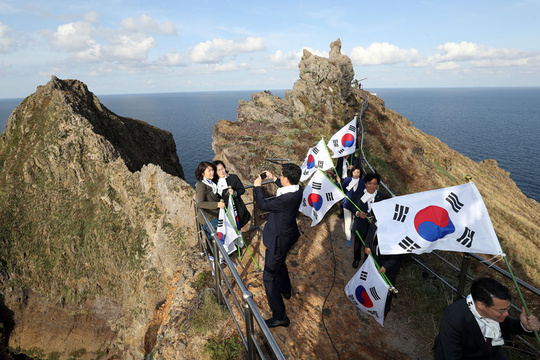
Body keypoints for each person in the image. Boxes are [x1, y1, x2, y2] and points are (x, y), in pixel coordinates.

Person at [433, 277, 540, 359]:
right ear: (481, 305)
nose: (506, 314)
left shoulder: (494, 310)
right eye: (502, 310)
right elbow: (451, 356)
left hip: (490, 354)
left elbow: (508, 325)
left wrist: (525, 326)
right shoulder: (454, 319)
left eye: (508, 308)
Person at [253, 163, 303, 328]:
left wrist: (257, 186)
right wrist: (274, 179)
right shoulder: (298, 189)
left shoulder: (285, 199)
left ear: (287, 178)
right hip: (288, 235)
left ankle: (280, 316)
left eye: (281, 175)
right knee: (280, 261)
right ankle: (286, 289)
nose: (280, 177)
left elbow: (264, 205)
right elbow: (285, 185)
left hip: (278, 239)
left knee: (268, 277)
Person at [346, 172, 389, 269]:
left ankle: (366, 264)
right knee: (358, 243)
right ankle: (356, 259)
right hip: (360, 224)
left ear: (377, 185)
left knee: (370, 246)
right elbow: (352, 207)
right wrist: (358, 213)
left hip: (374, 228)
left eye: (374, 184)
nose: (372, 186)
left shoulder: (382, 197)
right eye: (370, 183)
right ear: (365, 183)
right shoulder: (358, 194)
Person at [364, 222, 403, 316]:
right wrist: (367, 245)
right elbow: (371, 231)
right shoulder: (378, 213)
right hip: (374, 255)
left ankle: (385, 310)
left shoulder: (401, 227)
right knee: (371, 280)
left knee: (387, 287)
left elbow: (400, 251)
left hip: (389, 264)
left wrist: (386, 266)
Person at [195, 161, 225, 256]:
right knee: (214, 240)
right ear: (203, 173)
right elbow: (199, 204)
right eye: (209, 171)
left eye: (212, 170)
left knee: (212, 240)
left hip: (213, 216)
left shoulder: (210, 183)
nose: (212, 172)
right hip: (209, 218)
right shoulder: (201, 185)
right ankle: (216, 260)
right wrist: (217, 204)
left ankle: (214, 257)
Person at [212, 160, 251, 229]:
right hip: (224, 209)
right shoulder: (214, 183)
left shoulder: (233, 177)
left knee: (239, 224)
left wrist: (234, 192)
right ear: (215, 172)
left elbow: (242, 190)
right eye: (219, 170)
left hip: (237, 206)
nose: (222, 171)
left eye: (222, 168)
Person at [341, 165, 365, 248]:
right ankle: (348, 238)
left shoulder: (362, 182)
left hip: (356, 206)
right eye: (354, 172)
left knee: (354, 222)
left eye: (358, 172)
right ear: (352, 172)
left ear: (360, 173)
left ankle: (351, 231)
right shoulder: (348, 180)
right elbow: (342, 187)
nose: (356, 174)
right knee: (347, 222)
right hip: (347, 204)